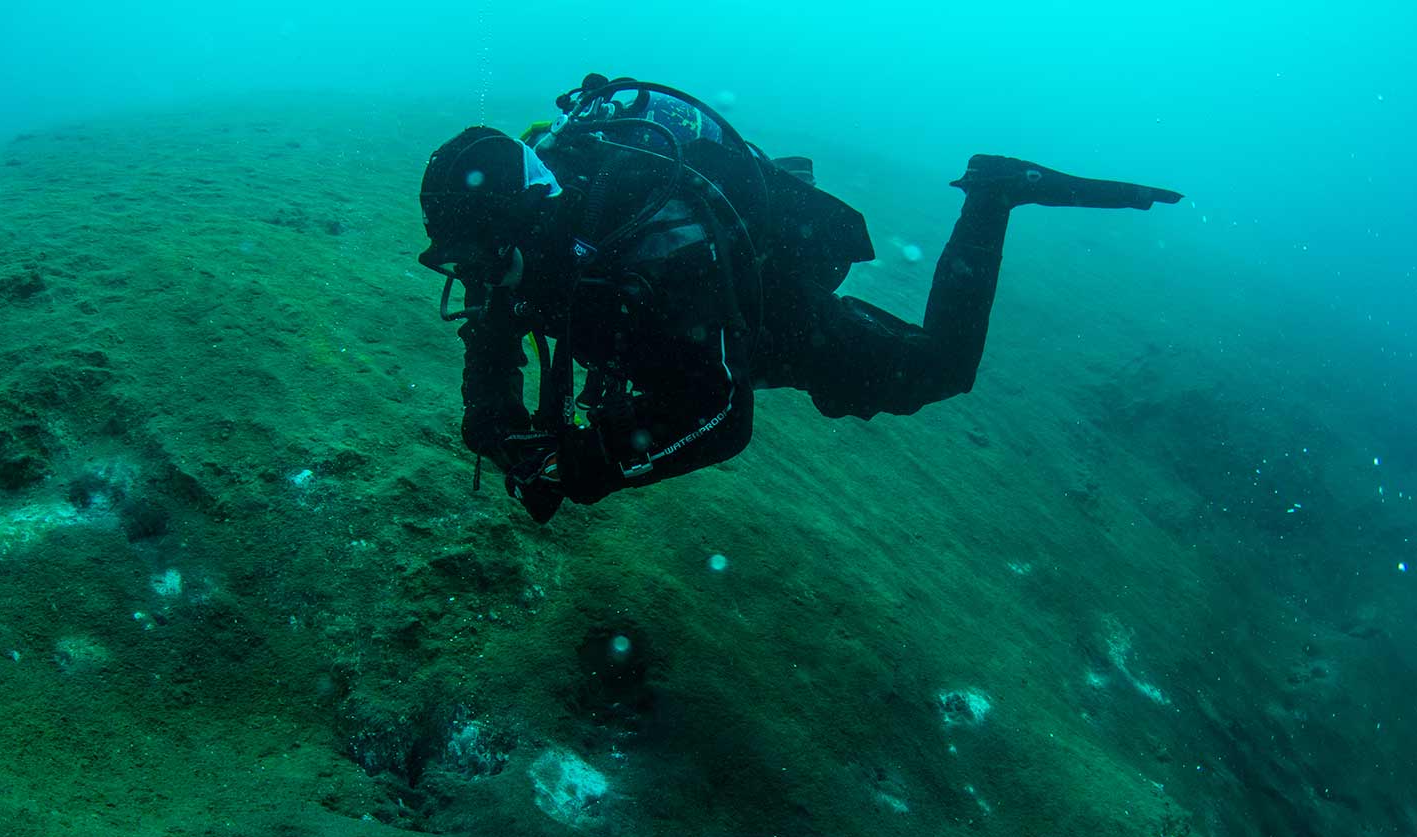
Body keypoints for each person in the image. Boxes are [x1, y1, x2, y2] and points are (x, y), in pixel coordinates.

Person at [418, 74, 1181, 524]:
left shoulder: (661, 245)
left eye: (484, 258)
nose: (479, 278)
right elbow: (493, 330)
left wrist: (587, 464)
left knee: (941, 367)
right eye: (463, 261)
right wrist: (492, 417)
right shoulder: (525, 239)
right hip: (669, 311)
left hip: (773, 316)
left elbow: (720, 415)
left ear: (533, 219)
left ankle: (994, 194)